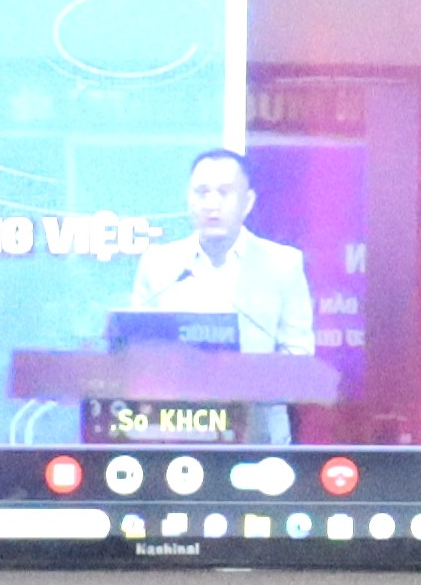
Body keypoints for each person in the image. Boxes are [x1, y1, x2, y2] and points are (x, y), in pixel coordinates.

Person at [119, 146, 321, 447]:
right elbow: (135, 351)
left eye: (224, 193)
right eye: (202, 193)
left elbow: (299, 358)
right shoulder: (159, 264)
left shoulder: (282, 264)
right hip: (175, 433)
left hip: (257, 436)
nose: (212, 204)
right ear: (189, 200)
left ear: (247, 202)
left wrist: (236, 377)